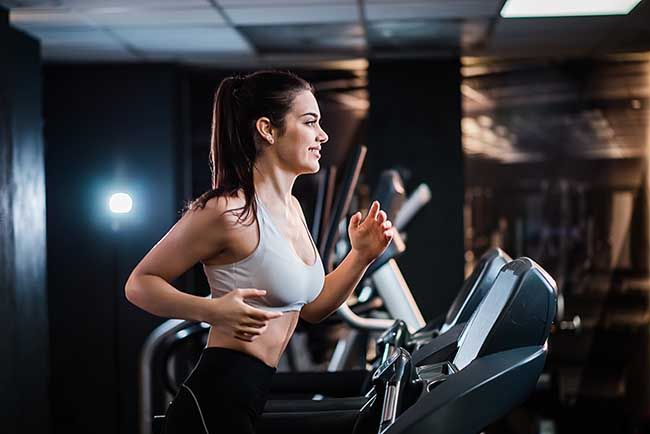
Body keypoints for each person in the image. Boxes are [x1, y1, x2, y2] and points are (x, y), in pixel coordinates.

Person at [125, 70, 394, 434]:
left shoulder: (293, 209)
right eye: (310, 122)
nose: (323, 135)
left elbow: (312, 309)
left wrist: (361, 256)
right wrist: (210, 310)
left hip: (253, 394)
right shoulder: (226, 211)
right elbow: (140, 283)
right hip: (214, 403)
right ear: (267, 129)